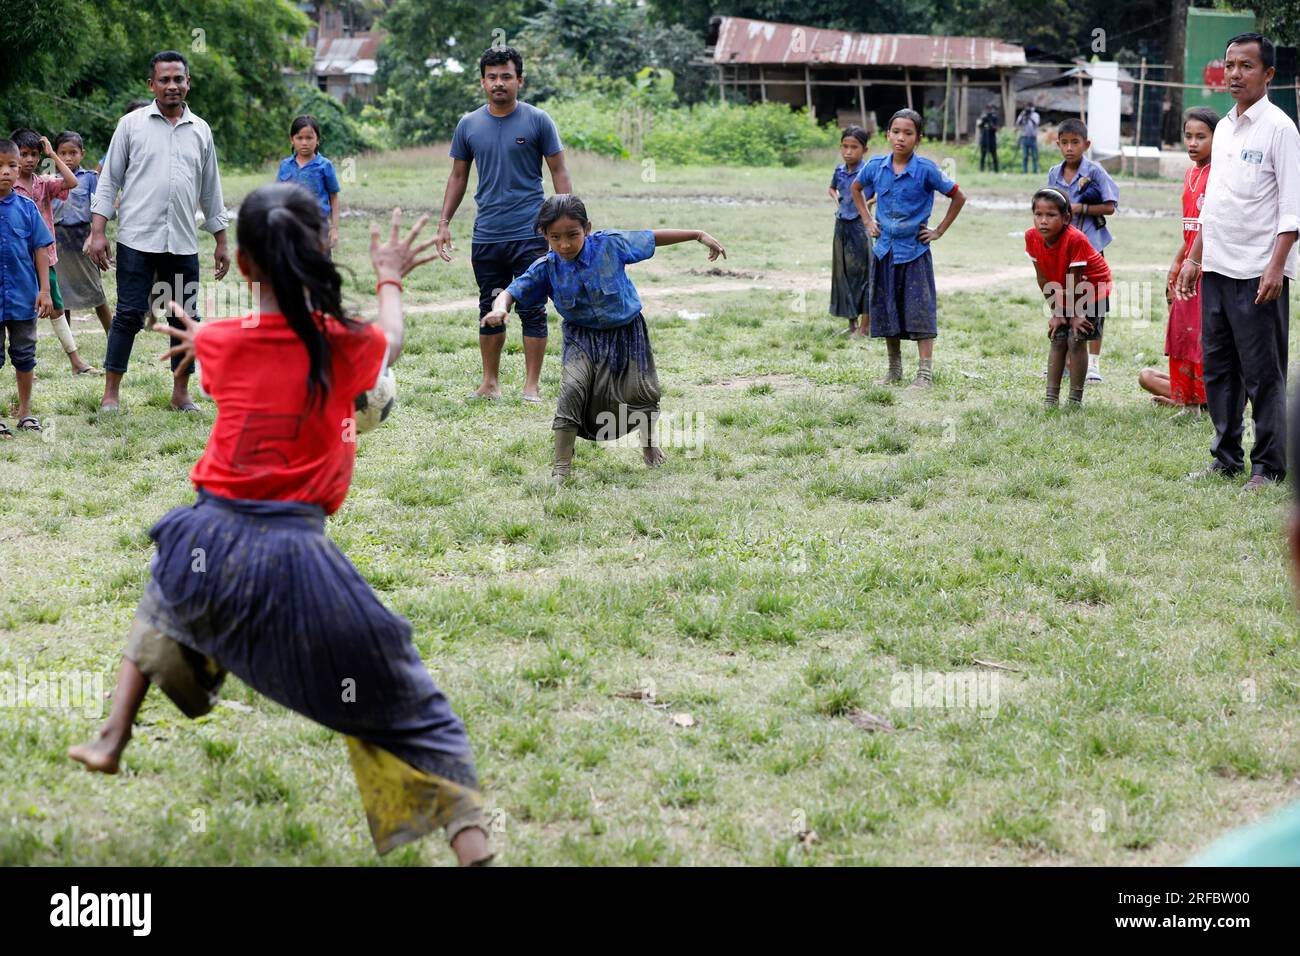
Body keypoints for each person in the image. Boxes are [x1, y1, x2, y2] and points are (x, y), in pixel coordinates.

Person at [68, 186, 491, 865]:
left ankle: (112, 735)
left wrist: (200, 340)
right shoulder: (346, 343)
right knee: (413, 709)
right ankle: (476, 853)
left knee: (166, 596)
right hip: (293, 548)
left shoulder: (219, 340)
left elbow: (226, 362)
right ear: (323, 248)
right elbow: (393, 343)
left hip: (207, 533)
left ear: (241, 266)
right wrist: (388, 277)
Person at [482, 194, 725, 483]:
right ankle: (561, 467)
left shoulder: (611, 244)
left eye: (572, 235)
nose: (565, 245)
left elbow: (651, 237)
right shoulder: (547, 266)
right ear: (544, 235)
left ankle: (649, 446)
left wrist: (698, 235)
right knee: (572, 389)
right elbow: (514, 290)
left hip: (627, 333)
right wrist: (499, 309)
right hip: (581, 338)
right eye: (555, 237)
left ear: (587, 228)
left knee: (642, 393)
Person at [1176, 32, 1299, 489]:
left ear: (1268, 74)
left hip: (1257, 273)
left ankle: (1268, 466)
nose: (1234, 74)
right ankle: (1225, 457)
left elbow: (1292, 208)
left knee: (1263, 372)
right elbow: (1215, 202)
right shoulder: (1224, 127)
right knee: (1219, 367)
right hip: (1216, 268)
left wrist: (1276, 266)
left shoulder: (1281, 129)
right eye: (1229, 65)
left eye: (1246, 66)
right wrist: (1193, 257)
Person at [89, 50, 230, 413]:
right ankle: (111, 395)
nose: (172, 86)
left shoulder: (201, 130)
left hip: (182, 241)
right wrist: (98, 231)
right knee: (129, 314)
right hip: (137, 238)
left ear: (188, 83)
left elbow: (211, 189)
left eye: (178, 79)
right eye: (164, 80)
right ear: (151, 84)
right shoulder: (130, 125)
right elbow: (109, 181)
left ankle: (181, 394)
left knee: (185, 319)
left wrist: (221, 240)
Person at [433, 46, 572, 404]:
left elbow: (558, 170)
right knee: (489, 306)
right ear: (482, 82)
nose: (499, 83)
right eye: (492, 77)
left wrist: (569, 217)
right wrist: (444, 222)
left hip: (530, 234)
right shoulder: (468, 125)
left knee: (532, 307)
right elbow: (458, 176)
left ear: (519, 80)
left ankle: (531, 387)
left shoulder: (538, 120)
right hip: (487, 235)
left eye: (506, 76)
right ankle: (490, 383)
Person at [850, 108, 966, 389]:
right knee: (888, 310)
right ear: (888, 134)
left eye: (908, 133)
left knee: (919, 310)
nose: (901, 138)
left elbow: (958, 196)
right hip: (884, 251)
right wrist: (867, 219)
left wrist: (938, 230)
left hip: (915, 252)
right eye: (896, 132)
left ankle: (924, 375)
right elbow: (856, 188)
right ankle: (894, 370)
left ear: (918, 138)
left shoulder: (925, 170)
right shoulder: (875, 166)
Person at [1139, 108, 1218, 412]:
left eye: (1202, 136)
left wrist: (1193, 264)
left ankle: (1200, 403)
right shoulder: (1191, 173)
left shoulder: (1219, 175)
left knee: (1201, 338)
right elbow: (1190, 230)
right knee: (1181, 338)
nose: (1193, 143)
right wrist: (1176, 265)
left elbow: (1211, 228)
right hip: (1188, 267)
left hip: (1209, 269)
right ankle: (1188, 400)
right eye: (1188, 136)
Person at [10, 128, 100, 375]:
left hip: (45, 257)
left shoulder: (43, 184)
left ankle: (76, 362)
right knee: (20, 313)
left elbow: (72, 182)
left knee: (56, 307)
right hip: (16, 260)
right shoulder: (8, 187)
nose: (30, 160)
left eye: (35, 155)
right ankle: (27, 367)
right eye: (24, 154)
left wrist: (53, 155)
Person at [1047, 118, 1119, 383]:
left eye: (1075, 142)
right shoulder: (1054, 173)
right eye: (1064, 143)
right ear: (1057, 144)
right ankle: (1064, 361)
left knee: (1094, 303)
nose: (1069, 148)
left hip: (1091, 248)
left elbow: (1111, 206)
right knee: (1064, 298)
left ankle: (1094, 365)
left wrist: (1082, 209)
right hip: (1064, 249)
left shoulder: (1095, 171)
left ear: (1086, 144)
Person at [1024, 188, 1111, 408]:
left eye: (1051, 215)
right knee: (1057, 336)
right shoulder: (1031, 237)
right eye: (1038, 214)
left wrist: (1074, 315)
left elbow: (1077, 280)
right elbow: (1043, 277)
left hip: (1092, 288)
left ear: (1066, 218)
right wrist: (1056, 313)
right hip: (1063, 287)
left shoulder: (1075, 239)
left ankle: (1074, 400)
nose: (1043, 220)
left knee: (1076, 338)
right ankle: (1050, 399)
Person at [0, 138, 55, 437]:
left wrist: (44, 291)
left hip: (23, 297)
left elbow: (41, 249)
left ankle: (25, 412)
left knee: (24, 354)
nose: (5, 172)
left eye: (11, 165)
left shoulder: (27, 207)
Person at [52, 132, 114, 341]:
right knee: (63, 293)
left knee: (95, 290)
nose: (68, 158)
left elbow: (100, 207)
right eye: (63, 153)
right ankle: (68, 341)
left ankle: (114, 336)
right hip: (58, 239)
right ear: (55, 155)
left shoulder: (90, 178)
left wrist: (95, 236)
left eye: (73, 153)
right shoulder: (49, 180)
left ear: (82, 154)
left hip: (84, 238)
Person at [828, 126, 872, 337]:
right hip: (841, 224)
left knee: (864, 274)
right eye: (845, 146)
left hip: (860, 226)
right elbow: (832, 188)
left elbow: (881, 192)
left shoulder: (869, 172)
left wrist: (868, 205)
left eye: (854, 147)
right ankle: (852, 324)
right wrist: (836, 198)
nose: (848, 151)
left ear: (864, 149)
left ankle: (865, 327)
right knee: (844, 273)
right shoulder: (839, 171)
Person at [276, 115, 340, 257]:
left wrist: (334, 228)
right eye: (299, 138)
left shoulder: (325, 165)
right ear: (292, 140)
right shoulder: (285, 166)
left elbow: (334, 197)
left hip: (319, 227)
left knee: (320, 267)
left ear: (318, 140)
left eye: (309, 138)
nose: (304, 142)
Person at [1016, 106, 1041, 174]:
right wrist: (1023, 116)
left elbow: (1036, 124)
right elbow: (1018, 123)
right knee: (1025, 156)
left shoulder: (1035, 115)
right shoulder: (1022, 114)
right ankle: (1025, 171)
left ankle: (1035, 171)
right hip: (1024, 138)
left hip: (1033, 138)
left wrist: (1030, 117)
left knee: (1035, 156)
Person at [977, 104, 1000, 173]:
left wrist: (991, 123)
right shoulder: (983, 117)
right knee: (983, 156)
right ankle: (981, 170)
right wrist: (983, 120)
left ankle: (996, 170)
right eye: (988, 109)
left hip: (992, 139)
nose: (989, 110)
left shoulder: (995, 117)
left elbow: (996, 128)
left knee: (994, 156)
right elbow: (979, 126)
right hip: (984, 139)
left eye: (990, 109)